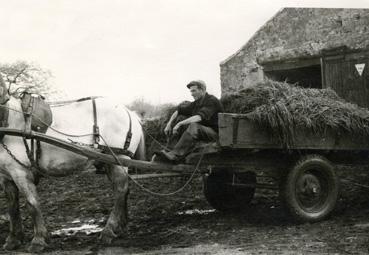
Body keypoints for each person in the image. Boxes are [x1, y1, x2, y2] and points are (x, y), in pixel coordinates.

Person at [158, 80, 224, 162]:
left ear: (202, 90)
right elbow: (179, 110)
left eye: (194, 91)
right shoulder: (196, 103)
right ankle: (170, 151)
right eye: (191, 91)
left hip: (215, 134)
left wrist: (179, 124)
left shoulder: (212, 100)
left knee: (193, 126)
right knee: (183, 121)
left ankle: (175, 155)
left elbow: (199, 117)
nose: (191, 94)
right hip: (203, 132)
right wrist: (169, 124)